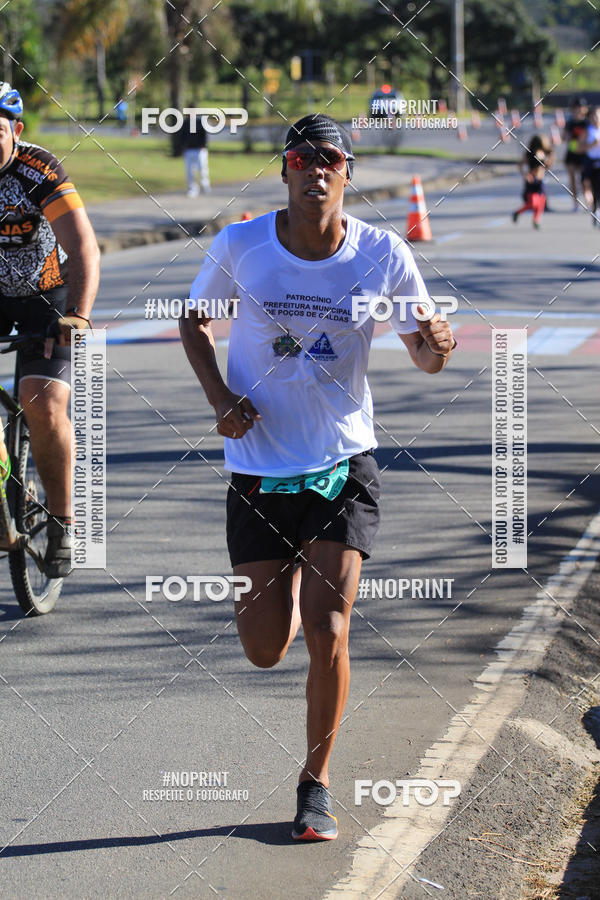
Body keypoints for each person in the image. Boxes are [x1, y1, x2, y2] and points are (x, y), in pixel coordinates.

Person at [180, 114, 456, 841]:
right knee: (265, 648)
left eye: (329, 157)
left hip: (342, 464)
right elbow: (194, 321)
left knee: (328, 629)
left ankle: (315, 787)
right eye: (301, 158)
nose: (315, 169)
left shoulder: (382, 254)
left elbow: (424, 353)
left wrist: (436, 347)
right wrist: (220, 398)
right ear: (285, 171)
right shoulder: (242, 244)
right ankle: (293, 570)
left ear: (347, 171)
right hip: (258, 470)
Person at [0, 82, 100, 576]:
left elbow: (82, 247)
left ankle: (63, 521)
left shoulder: (36, 170)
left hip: (47, 296)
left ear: (15, 131)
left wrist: (78, 315)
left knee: (41, 400)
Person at [513, 135, 548, 229]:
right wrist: (525, 174)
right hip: (532, 180)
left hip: (541, 180)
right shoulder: (529, 154)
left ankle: (536, 220)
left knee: (541, 202)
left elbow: (546, 166)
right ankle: (517, 212)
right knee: (533, 203)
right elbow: (520, 164)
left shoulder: (544, 152)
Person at [562, 97, 589, 211]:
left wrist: (581, 146)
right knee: (572, 179)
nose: (578, 110)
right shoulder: (570, 123)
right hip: (572, 154)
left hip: (584, 153)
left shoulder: (587, 122)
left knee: (585, 180)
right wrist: (576, 145)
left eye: (580, 107)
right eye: (576, 108)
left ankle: (589, 203)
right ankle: (575, 203)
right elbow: (566, 138)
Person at [181, 114, 210, 198]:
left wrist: (203, 145)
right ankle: (192, 188)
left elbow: (204, 135)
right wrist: (183, 147)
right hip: (189, 150)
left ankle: (205, 185)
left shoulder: (200, 122)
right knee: (189, 171)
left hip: (199, 150)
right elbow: (182, 136)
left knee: (202, 168)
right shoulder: (185, 123)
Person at [581, 106, 600, 226]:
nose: (595, 118)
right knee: (590, 186)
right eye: (592, 116)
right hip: (590, 162)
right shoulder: (588, 131)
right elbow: (577, 147)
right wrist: (591, 145)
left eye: (597, 116)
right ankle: (594, 209)